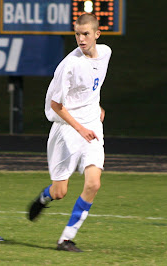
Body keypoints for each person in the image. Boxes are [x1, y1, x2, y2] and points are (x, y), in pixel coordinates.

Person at [27, 13, 112, 252]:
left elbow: (92, 87)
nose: (81, 39)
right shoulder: (70, 65)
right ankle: (45, 197)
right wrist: (80, 128)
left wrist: (95, 108)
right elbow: (56, 106)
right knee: (60, 191)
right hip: (67, 129)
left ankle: (66, 238)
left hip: (92, 127)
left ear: (97, 34)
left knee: (94, 183)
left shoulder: (105, 53)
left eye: (86, 34)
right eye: (77, 34)